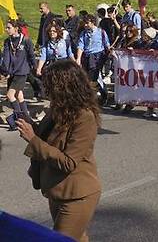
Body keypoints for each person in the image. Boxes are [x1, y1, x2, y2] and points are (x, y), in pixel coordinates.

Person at [16, 60, 102, 242]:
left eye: (50, 86)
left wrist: (32, 139)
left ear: (65, 87)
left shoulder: (85, 117)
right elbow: (50, 138)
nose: (46, 90)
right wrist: (32, 126)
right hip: (56, 190)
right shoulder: (59, 108)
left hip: (77, 195)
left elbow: (68, 162)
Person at [1, 19, 36, 128]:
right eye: (6, 28)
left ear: (16, 28)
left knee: (10, 95)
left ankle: (19, 120)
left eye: (9, 28)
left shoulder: (26, 40)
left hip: (22, 72)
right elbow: (6, 58)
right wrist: (4, 71)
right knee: (19, 95)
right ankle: (27, 118)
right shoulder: (7, 41)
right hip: (12, 73)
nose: (7, 30)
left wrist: (33, 67)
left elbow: (31, 55)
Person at [76, 14, 111, 106]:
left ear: (93, 22)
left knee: (94, 77)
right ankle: (100, 93)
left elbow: (107, 45)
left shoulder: (101, 32)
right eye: (85, 23)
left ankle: (96, 96)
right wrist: (78, 58)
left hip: (97, 57)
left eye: (87, 23)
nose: (85, 25)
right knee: (88, 77)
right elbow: (81, 46)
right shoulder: (83, 33)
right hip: (87, 57)